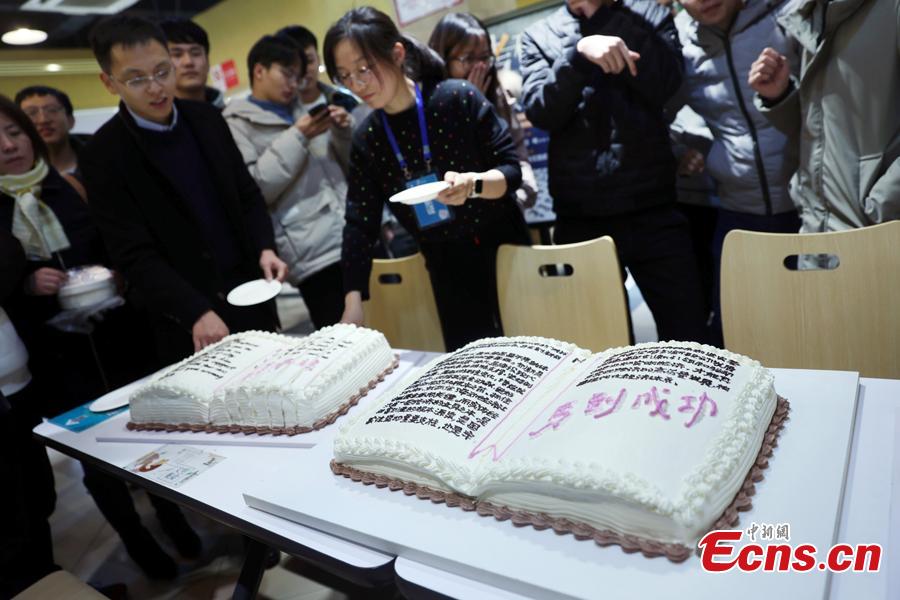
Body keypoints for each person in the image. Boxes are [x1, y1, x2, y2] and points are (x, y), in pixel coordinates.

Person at [0, 95, 196, 581]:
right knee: (95, 457)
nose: (8, 147)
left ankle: (173, 517)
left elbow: (118, 241)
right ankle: (136, 538)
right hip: (54, 357)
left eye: (14, 133)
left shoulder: (71, 186)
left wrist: (116, 274)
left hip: (118, 337)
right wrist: (26, 281)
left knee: (147, 432)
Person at [81, 15, 287, 367]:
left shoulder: (206, 118)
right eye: (136, 79)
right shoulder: (103, 154)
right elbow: (132, 254)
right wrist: (194, 310)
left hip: (250, 293)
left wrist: (265, 247)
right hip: (188, 320)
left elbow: (246, 194)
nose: (156, 87)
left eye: (163, 71)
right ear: (109, 82)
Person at [324, 7, 529, 351]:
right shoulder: (368, 138)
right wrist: (353, 301)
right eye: (345, 76)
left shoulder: (456, 97)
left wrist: (473, 184)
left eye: (364, 69)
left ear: (397, 54)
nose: (357, 85)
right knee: (475, 366)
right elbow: (360, 222)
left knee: (530, 352)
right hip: (444, 266)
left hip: (506, 249)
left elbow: (511, 171)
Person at [520, 0, 709, 344]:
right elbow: (541, 111)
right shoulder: (537, 34)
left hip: (654, 207)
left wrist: (603, 17)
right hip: (581, 218)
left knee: (689, 334)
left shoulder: (649, 13)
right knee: (596, 343)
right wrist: (578, 56)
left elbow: (667, 82)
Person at [673, 0, 801, 343]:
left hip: (811, 206)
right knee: (737, 334)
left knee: (813, 328)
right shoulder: (678, 40)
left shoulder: (788, 13)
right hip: (737, 213)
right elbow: (662, 108)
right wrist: (687, 146)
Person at [224, 35, 350, 329]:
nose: (293, 83)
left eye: (297, 75)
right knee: (345, 342)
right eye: (286, 73)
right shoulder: (234, 124)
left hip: (351, 233)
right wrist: (298, 135)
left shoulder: (302, 110)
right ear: (259, 71)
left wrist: (343, 131)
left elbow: (342, 168)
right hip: (312, 254)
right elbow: (256, 189)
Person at [748, 0, 899, 233]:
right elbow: (832, 132)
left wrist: (883, 205)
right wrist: (781, 97)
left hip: (876, 239)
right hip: (817, 232)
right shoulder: (814, 10)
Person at [428, 12, 538, 212]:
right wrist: (465, 106)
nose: (480, 66)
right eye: (468, 58)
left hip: (503, 212)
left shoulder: (499, 96)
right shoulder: (428, 105)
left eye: (485, 57)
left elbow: (517, 161)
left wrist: (514, 198)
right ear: (443, 58)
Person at [0, 229, 58, 598]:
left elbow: (9, 257)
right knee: (10, 520)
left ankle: (51, 582)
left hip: (17, 382)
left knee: (38, 497)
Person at [15, 85, 87, 176]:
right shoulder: (14, 174)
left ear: (70, 120)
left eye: (52, 110)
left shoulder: (101, 157)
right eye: (31, 113)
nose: (43, 120)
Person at [159, 18, 225, 109]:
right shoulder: (158, 121)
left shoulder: (233, 117)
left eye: (195, 53)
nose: (188, 62)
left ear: (208, 61)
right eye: (177, 55)